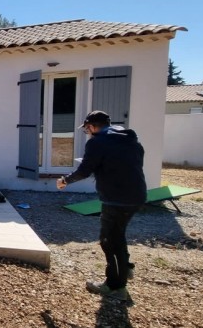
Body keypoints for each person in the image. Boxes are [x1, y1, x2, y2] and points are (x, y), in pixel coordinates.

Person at [56, 111, 146, 302]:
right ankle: (125, 268)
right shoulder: (130, 139)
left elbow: (85, 170)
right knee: (118, 234)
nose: (87, 133)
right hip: (137, 195)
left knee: (108, 241)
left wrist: (65, 180)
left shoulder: (98, 142)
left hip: (116, 198)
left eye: (87, 129)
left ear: (92, 126)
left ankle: (115, 286)